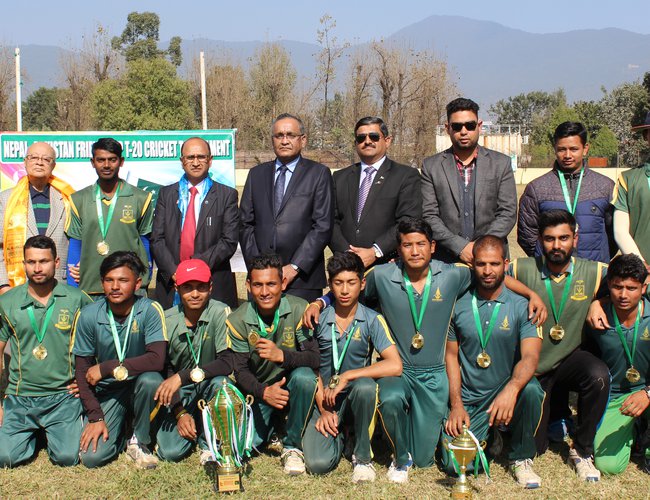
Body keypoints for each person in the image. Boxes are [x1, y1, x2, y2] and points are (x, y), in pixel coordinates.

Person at [304, 217, 546, 483]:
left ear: (432, 246)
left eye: (421, 244)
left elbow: (489, 275)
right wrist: (319, 301)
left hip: (435, 375)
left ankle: (443, 447)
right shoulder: (383, 275)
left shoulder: (453, 273)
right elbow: (348, 284)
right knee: (392, 400)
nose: (415, 251)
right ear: (398, 248)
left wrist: (531, 294)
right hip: (398, 372)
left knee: (424, 460)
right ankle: (399, 455)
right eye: (408, 245)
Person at [509, 209, 610, 481]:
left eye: (564, 238)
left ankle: (582, 449)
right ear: (540, 240)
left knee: (598, 376)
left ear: (575, 239)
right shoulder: (522, 268)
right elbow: (492, 274)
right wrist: (530, 292)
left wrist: (600, 301)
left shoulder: (596, 271)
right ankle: (549, 427)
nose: (557, 245)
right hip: (536, 367)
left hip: (570, 361)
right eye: (549, 238)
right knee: (538, 447)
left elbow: (632, 280)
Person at [442, 235, 544, 489]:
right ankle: (493, 437)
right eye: (481, 264)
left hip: (504, 389)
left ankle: (521, 457)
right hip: (471, 397)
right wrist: (456, 404)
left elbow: (531, 356)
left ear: (506, 264)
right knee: (455, 466)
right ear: (472, 265)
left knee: (531, 390)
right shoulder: (458, 304)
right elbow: (451, 357)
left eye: (495, 264)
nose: (487, 271)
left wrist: (511, 390)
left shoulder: (522, 306)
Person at [302, 252, 402, 482]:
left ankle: (362, 457)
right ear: (330, 284)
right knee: (318, 465)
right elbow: (311, 367)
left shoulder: (372, 319)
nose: (345, 290)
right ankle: (340, 436)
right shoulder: (316, 319)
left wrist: (349, 375)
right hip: (323, 399)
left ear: (362, 283)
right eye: (338, 283)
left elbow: (395, 365)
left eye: (351, 283)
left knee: (365, 387)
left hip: (355, 399)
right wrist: (325, 410)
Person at [0, 235, 92, 467]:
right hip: (22, 396)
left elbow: (99, 340)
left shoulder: (77, 299)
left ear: (57, 262)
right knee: (6, 458)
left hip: (63, 396)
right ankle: (32, 431)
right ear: (23, 265)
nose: (38, 268)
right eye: (31, 262)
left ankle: (51, 430)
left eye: (44, 261)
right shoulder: (7, 302)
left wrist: (87, 381)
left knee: (66, 457)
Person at [73, 251, 167, 469]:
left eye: (123, 280)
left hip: (140, 386)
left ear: (137, 283)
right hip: (109, 390)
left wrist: (107, 366)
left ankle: (139, 440)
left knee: (152, 379)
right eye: (109, 280)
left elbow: (157, 360)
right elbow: (82, 370)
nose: (115, 286)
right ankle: (120, 429)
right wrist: (96, 417)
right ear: (102, 283)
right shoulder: (88, 314)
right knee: (92, 458)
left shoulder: (150, 310)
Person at [227, 253, 319, 475]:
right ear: (248, 285)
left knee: (305, 376)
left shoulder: (299, 308)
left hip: (292, 389)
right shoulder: (237, 320)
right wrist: (264, 392)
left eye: (271, 284)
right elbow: (240, 371)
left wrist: (283, 356)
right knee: (246, 446)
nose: (265, 291)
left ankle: (292, 447)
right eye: (258, 285)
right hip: (260, 393)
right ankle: (274, 428)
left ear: (283, 283)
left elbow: (315, 357)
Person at [239, 113, 333, 302]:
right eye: (279, 135)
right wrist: (259, 268)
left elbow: (322, 226)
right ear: (272, 140)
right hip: (262, 281)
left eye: (290, 135)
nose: (284, 140)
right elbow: (244, 224)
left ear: (303, 140)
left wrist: (295, 267)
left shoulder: (318, 174)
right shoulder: (256, 174)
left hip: (302, 280)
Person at [152, 258, 235, 464]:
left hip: (209, 385)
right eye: (188, 288)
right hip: (180, 394)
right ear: (177, 289)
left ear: (211, 287)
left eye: (201, 287)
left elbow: (226, 362)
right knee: (170, 452)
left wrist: (183, 376)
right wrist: (179, 412)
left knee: (221, 383)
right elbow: (165, 370)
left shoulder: (220, 311)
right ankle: (192, 424)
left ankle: (211, 441)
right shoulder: (167, 318)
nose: (195, 294)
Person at [421, 97, 517, 265]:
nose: (464, 131)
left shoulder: (501, 163)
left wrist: (482, 247)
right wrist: (460, 247)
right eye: (457, 127)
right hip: (446, 261)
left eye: (470, 125)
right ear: (447, 128)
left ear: (479, 126)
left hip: (491, 260)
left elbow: (507, 212)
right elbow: (429, 215)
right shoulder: (431, 166)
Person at [151, 137, 239, 309]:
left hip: (212, 281)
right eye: (190, 157)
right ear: (182, 161)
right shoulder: (166, 194)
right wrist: (176, 273)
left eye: (201, 157)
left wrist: (194, 270)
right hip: (172, 282)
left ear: (210, 160)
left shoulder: (227, 195)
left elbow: (228, 241)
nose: (196, 162)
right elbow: (157, 239)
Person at [66, 138, 154, 296]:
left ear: (121, 161)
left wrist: (145, 278)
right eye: (100, 160)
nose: (106, 165)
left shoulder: (141, 198)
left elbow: (145, 241)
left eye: (112, 160)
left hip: (130, 289)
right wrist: (73, 287)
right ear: (93, 162)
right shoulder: (78, 199)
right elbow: (75, 243)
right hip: (90, 288)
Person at [329, 116, 421, 268]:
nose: (367, 141)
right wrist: (346, 253)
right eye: (361, 137)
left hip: (387, 265)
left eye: (374, 136)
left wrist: (375, 251)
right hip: (346, 267)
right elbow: (331, 221)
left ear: (387, 140)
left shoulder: (405, 176)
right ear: (355, 143)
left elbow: (407, 221)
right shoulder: (340, 177)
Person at [587, 254, 650, 475]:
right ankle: (635, 430)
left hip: (647, 391)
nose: (623, 295)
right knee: (609, 466)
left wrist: (647, 394)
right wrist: (597, 302)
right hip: (616, 396)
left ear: (644, 287)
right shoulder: (597, 317)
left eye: (631, 288)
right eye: (617, 287)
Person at [518, 121, 615, 263]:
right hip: (551, 275)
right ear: (555, 148)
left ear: (585, 148)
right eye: (562, 149)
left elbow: (614, 233)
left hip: (594, 273)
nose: (567, 155)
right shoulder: (537, 188)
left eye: (574, 149)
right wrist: (548, 260)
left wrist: (599, 258)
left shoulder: (605, 186)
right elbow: (527, 234)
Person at [0, 142, 74, 292]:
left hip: (60, 285)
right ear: (25, 162)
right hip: (18, 286)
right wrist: (3, 284)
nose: (39, 162)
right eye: (33, 157)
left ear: (53, 165)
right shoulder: (6, 199)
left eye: (46, 159)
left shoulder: (68, 198)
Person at [612, 111, 650, 268]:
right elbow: (620, 231)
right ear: (646, 136)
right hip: (641, 275)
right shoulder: (628, 179)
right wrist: (641, 265)